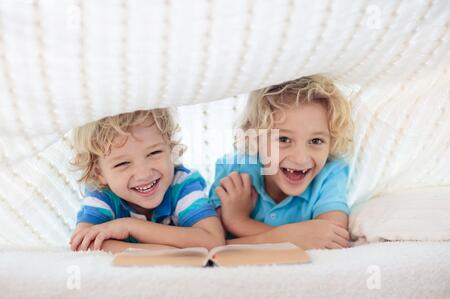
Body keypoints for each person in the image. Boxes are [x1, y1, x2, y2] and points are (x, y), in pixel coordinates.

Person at [209, 75, 354, 249]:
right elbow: (212, 245)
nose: (301, 158)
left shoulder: (331, 174)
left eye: (316, 141)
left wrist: (239, 223)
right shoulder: (233, 171)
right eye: (284, 139)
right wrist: (295, 238)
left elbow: (333, 239)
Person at [70, 108, 225, 253]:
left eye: (154, 153)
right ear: (99, 173)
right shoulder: (101, 194)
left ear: (171, 149)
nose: (143, 174)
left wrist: (129, 226)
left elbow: (213, 240)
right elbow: (84, 244)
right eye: (123, 163)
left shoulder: (183, 184)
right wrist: (164, 251)